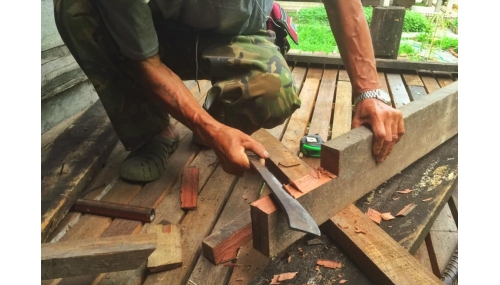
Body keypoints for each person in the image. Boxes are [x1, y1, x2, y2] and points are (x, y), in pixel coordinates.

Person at [54, 0, 404, 183]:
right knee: (75, 8)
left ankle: (218, 122)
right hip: (160, 30)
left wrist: (368, 91)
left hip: (240, 33)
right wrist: (205, 126)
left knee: (273, 91)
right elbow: (145, 61)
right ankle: (152, 133)